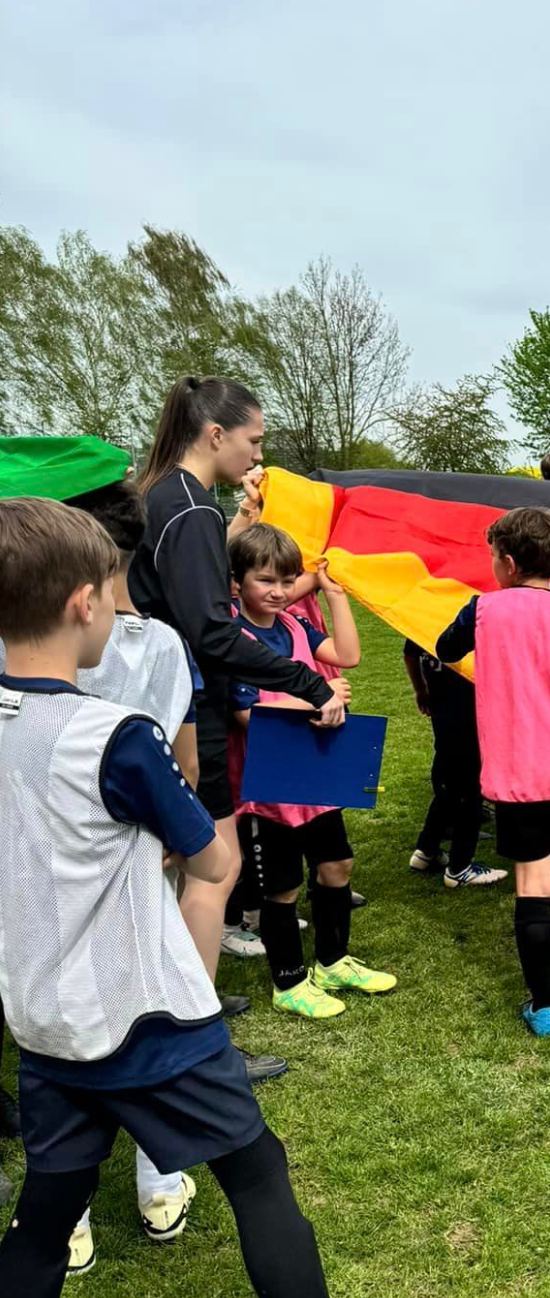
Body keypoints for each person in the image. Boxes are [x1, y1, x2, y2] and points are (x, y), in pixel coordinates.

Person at [0, 497, 330, 1298]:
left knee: (45, 1215)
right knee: (259, 1173)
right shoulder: (114, 736)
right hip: (145, 1016)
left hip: (42, 1019)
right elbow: (212, 861)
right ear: (85, 601)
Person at [0, 479, 205, 1265]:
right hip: (132, 880)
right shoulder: (161, 647)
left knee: (63, 1038)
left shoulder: (20, 651)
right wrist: (181, 834)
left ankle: (74, 1212)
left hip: (35, 902)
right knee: (144, 1022)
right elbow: (184, 763)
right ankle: (158, 1181)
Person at [131, 376, 346, 1085]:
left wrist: (235, 525)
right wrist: (308, 682)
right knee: (212, 870)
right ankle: (197, 1041)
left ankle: (184, 1002)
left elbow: (182, 593)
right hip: (190, 706)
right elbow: (212, 631)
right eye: (253, 440)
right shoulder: (189, 504)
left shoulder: (172, 496)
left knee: (189, 866)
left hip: (171, 705)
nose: (258, 455)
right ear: (215, 433)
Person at [437, 507, 550, 1037]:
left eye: (493, 557)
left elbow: (446, 649)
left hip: (518, 772)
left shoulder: (482, 610)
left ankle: (543, 1004)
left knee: (532, 883)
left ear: (509, 564)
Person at [226, 525, 396, 1019]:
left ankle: (332, 961)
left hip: (317, 777)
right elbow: (246, 713)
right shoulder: (232, 638)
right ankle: (289, 981)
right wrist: (316, 700)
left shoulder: (296, 627)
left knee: (337, 865)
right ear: (236, 582)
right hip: (270, 787)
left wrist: (334, 593)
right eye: (265, 581)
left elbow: (348, 656)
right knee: (283, 886)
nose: (278, 591)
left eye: (287, 581)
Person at [404, 639, 506, 885]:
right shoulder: (472, 619)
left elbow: (410, 653)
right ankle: (460, 867)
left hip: (442, 706)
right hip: (469, 709)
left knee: (450, 782)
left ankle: (427, 850)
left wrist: (421, 689)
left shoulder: (426, 617)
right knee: (469, 787)